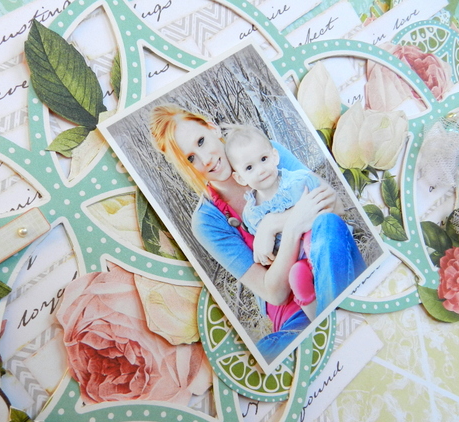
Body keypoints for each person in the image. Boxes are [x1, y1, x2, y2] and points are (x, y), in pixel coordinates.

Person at [149, 104, 366, 362]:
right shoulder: (207, 220)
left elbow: (334, 206)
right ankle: (333, 331)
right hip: (293, 308)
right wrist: (293, 227)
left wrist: (272, 223)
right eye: (191, 158)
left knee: (327, 226)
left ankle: (333, 330)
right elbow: (274, 293)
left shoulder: (263, 155)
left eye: (201, 141)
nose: (205, 159)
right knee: (267, 351)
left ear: (211, 127)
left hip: (329, 261)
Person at [225, 125, 345, 320]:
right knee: (297, 276)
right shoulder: (252, 215)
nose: (261, 170)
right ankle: (322, 321)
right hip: (297, 261)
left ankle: (336, 296)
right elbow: (268, 251)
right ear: (240, 178)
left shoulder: (299, 182)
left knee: (310, 237)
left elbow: (332, 208)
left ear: (275, 156)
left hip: (323, 247)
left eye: (263, 159)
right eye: (249, 168)